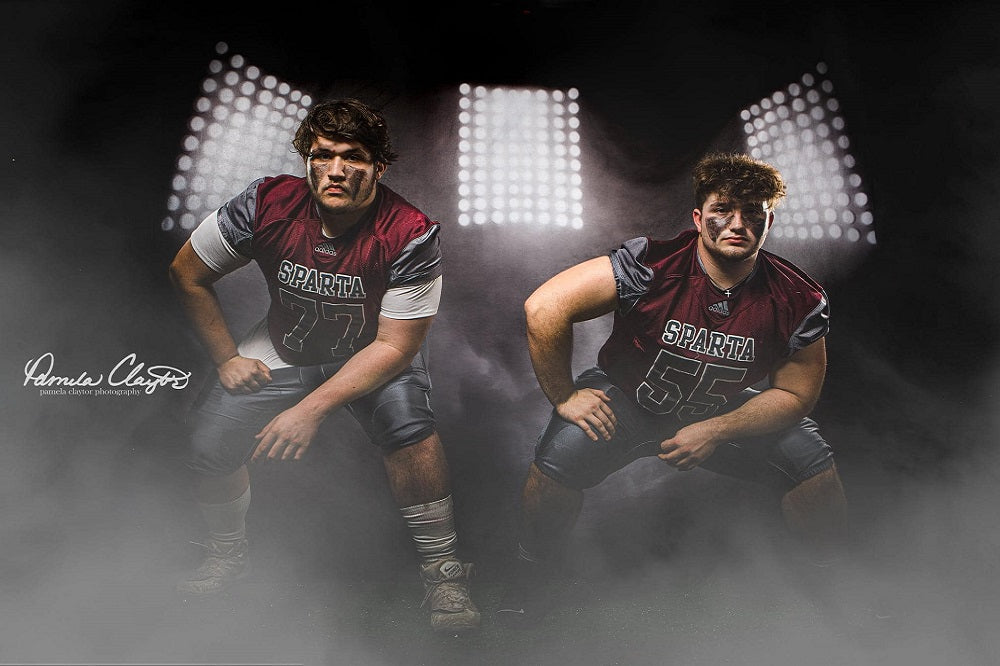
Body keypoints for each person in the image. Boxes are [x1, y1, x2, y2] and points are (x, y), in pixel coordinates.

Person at [496, 152, 850, 625]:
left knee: (811, 461)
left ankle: (832, 584)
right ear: (699, 217)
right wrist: (564, 395)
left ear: (770, 221)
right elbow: (545, 308)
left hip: (717, 408)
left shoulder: (798, 297)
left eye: (753, 213)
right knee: (558, 461)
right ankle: (531, 575)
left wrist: (718, 429)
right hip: (628, 399)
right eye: (724, 210)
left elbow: (795, 395)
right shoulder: (652, 264)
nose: (737, 223)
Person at [168, 98, 479, 632]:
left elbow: (396, 347)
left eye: (353, 157)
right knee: (208, 442)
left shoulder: (410, 232)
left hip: (371, 352)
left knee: (410, 431)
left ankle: (442, 571)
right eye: (322, 154)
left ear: (379, 166)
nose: (336, 171)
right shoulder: (267, 202)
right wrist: (225, 360)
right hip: (286, 343)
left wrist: (309, 410)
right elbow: (187, 272)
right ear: (306, 158)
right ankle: (228, 552)